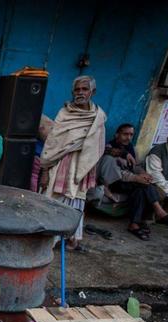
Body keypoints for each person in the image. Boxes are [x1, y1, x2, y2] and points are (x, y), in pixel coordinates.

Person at [39, 75, 106, 251]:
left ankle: (71, 239)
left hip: (82, 168)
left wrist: (90, 171)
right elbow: (52, 144)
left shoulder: (98, 117)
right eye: (77, 89)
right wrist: (45, 170)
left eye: (84, 89)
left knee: (76, 202)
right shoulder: (65, 114)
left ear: (93, 92)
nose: (80, 93)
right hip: (61, 164)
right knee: (53, 201)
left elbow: (96, 148)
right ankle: (49, 239)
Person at [95, 123, 168, 241]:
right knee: (143, 186)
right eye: (125, 134)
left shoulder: (131, 148)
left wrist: (143, 174)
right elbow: (117, 173)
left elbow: (134, 166)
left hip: (128, 181)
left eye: (131, 134)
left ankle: (135, 224)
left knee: (142, 189)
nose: (128, 137)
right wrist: (136, 178)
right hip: (113, 182)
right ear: (117, 135)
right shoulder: (109, 149)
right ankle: (158, 212)